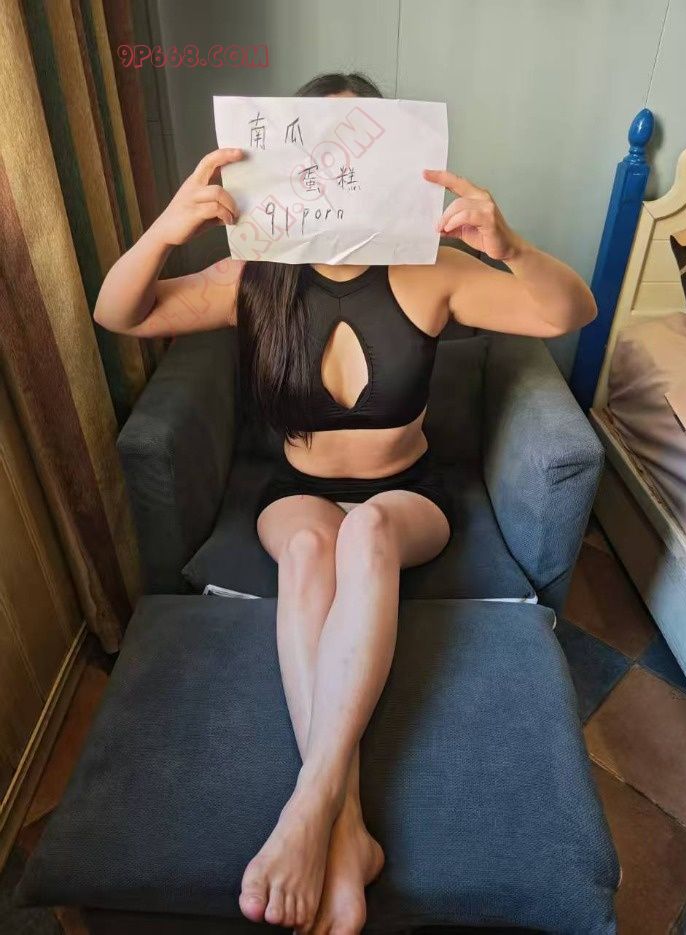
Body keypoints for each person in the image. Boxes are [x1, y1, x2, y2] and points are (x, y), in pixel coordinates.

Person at [94, 72, 596, 935]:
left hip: (406, 497)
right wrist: (169, 227)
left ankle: (312, 802)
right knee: (308, 547)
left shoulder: (428, 270)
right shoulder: (254, 275)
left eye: (357, 144)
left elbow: (567, 312)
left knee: (362, 532)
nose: (338, 165)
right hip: (294, 494)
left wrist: (509, 246)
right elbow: (120, 312)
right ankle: (348, 828)